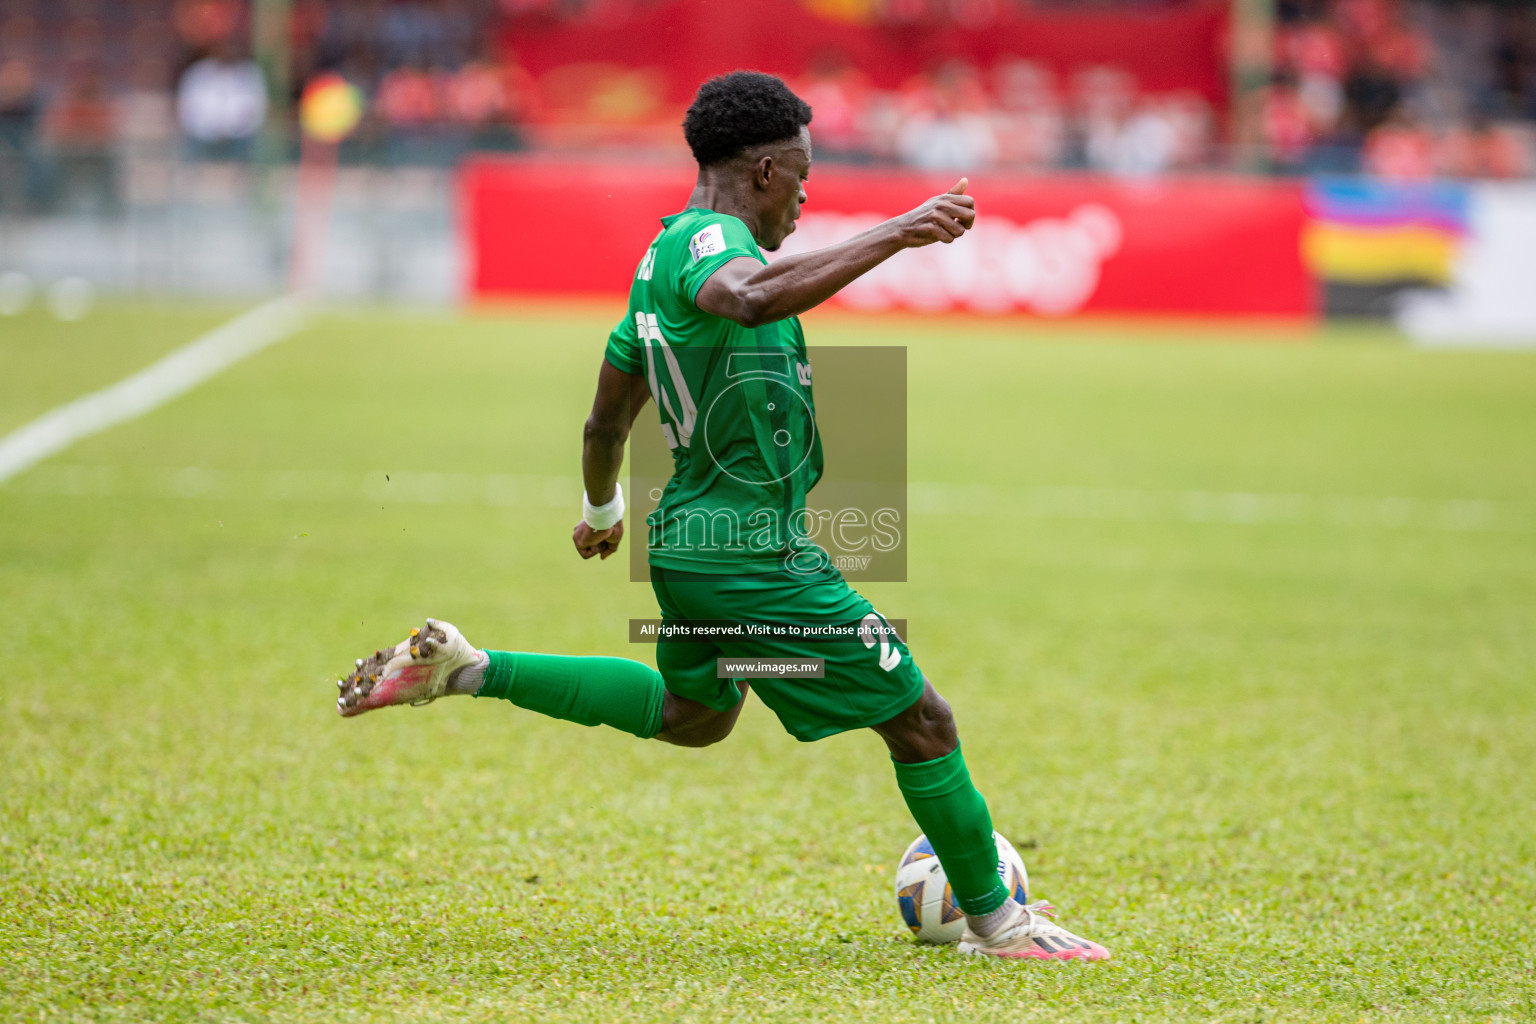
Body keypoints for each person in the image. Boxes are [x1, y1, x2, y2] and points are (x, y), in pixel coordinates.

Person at [334, 70, 1109, 963]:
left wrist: (602, 506)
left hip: (691, 550)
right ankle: (1002, 923)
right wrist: (898, 232)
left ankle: (470, 670)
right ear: (768, 170)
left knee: (694, 714)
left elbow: (604, 418)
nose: (806, 200)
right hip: (751, 557)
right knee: (922, 717)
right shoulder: (711, 242)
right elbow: (745, 295)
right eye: (804, 179)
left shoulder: (652, 266)